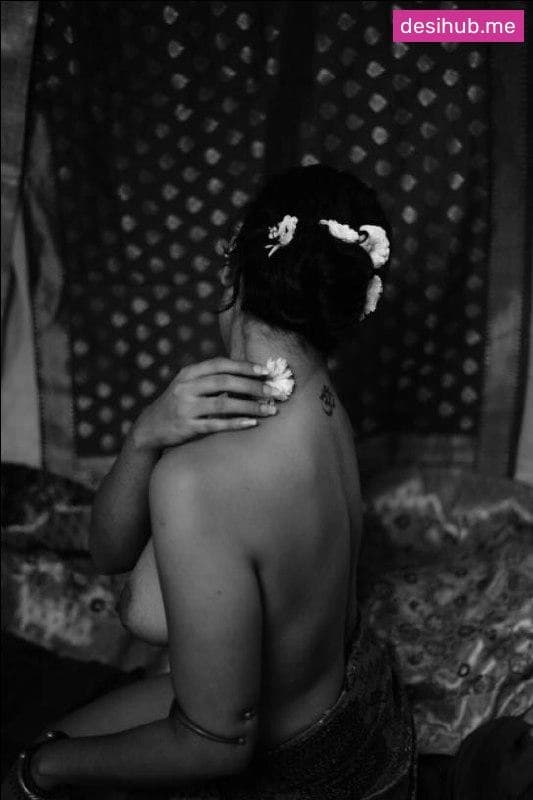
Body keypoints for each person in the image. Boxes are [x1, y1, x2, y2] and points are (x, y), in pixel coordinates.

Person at [5, 165, 415, 800]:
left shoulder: (203, 479)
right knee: (58, 735)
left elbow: (214, 743)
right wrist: (145, 436)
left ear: (233, 267)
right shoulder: (322, 403)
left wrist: (42, 771)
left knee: (32, 765)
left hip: (304, 776)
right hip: (360, 719)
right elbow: (110, 554)